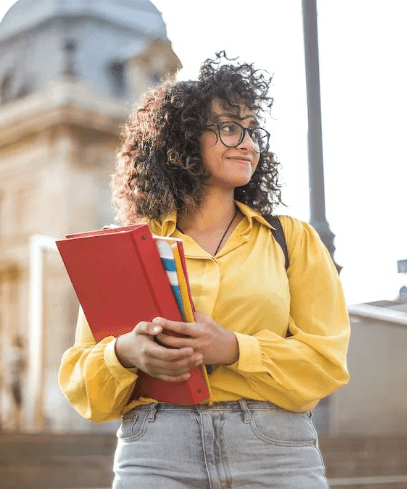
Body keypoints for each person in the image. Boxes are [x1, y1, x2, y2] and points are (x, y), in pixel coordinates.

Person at [59, 52, 350, 488]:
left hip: (274, 451)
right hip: (156, 450)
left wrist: (233, 348)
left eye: (253, 131)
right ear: (184, 139)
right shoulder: (130, 249)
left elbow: (326, 364)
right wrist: (125, 354)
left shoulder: (292, 240)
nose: (248, 143)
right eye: (230, 128)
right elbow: (83, 385)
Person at [8, 335, 27, 430]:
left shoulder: (10, 353)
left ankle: (14, 422)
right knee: (19, 403)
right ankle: (18, 423)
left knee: (13, 402)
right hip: (17, 381)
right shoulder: (19, 354)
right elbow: (24, 366)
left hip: (11, 380)